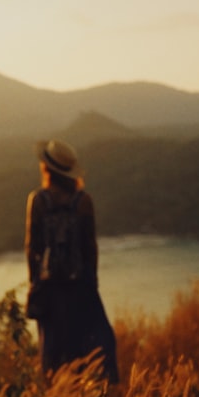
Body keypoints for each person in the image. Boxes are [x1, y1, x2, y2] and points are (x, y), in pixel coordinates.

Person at [25, 139, 119, 382]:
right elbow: (90, 245)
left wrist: (34, 284)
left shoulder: (38, 200)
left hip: (49, 287)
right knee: (94, 344)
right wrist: (92, 282)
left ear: (46, 168)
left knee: (54, 352)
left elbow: (32, 247)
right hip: (80, 286)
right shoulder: (83, 201)